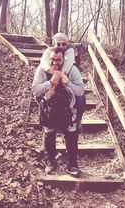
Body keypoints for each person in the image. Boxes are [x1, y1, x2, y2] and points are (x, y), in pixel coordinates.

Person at [32, 47, 85, 177]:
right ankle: (51, 161)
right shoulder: (42, 70)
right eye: (53, 59)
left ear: (63, 59)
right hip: (48, 109)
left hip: (68, 108)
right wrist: (50, 83)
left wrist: (67, 84)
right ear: (49, 59)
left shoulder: (72, 70)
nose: (55, 62)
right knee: (49, 132)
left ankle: (72, 164)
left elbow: (80, 91)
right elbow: (35, 90)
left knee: (71, 134)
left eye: (59, 60)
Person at [40, 32, 86, 122]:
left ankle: (78, 120)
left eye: (64, 44)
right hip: (53, 80)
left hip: (69, 78)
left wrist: (62, 76)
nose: (61, 46)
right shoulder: (50, 51)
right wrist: (53, 73)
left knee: (81, 99)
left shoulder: (69, 51)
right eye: (58, 44)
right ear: (54, 44)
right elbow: (44, 63)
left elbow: (68, 65)